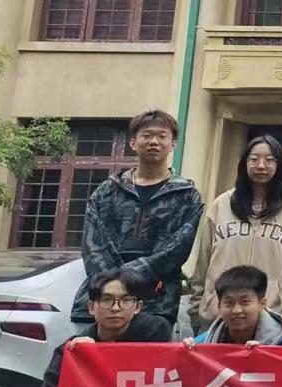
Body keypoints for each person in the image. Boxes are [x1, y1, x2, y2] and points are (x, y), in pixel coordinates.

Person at [71, 110, 204, 326]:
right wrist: (114, 287)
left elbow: (176, 250)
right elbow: (93, 247)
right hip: (103, 302)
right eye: (147, 135)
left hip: (156, 303)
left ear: (173, 144)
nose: (154, 141)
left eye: (161, 136)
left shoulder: (187, 196)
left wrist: (126, 279)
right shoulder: (107, 191)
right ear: (133, 142)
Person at [188, 135, 282, 330]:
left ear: (280, 164)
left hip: (272, 318)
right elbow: (203, 262)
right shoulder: (222, 203)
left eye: (269, 160)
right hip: (218, 315)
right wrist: (198, 307)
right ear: (244, 163)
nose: (261, 166)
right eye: (254, 159)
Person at [29, 269, 172, 387]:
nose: (116, 308)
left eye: (126, 300)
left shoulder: (155, 331)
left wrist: (188, 352)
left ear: (137, 306)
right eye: (106, 300)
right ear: (91, 307)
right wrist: (87, 357)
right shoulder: (72, 351)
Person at [186, 265, 282, 347]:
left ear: (262, 304)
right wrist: (188, 347)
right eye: (229, 303)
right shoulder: (209, 338)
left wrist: (265, 355)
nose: (236, 310)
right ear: (219, 307)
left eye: (245, 302)